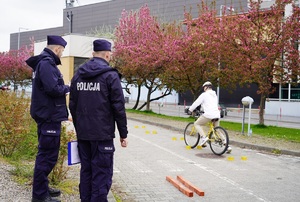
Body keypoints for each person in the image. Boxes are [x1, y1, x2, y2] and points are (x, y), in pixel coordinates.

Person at [69, 39, 128, 202]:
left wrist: (79, 127)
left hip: (84, 135)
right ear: (108, 54)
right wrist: (123, 133)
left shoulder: (78, 75)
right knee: (101, 175)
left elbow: (72, 105)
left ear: (92, 54)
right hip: (102, 137)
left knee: (86, 172)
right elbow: (118, 107)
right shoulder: (110, 76)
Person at [26, 35, 69, 202]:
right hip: (49, 116)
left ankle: (43, 188)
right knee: (47, 156)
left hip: (46, 114)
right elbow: (53, 89)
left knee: (47, 154)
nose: (62, 55)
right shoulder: (46, 64)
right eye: (62, 51)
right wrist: (68, 87)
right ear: (57, 49)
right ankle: (39, 196)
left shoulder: (43, 63)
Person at [189, 81, 221, 146]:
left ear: (206, 87)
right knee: (217, 129)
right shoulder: (215, 95)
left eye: (204, 87)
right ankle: (226, 144)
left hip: (209, 114)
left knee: (197, 124)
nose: (203, 89)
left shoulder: (204, 94)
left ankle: (203, 138)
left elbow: (196, 103)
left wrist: (190, 109)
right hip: (217, 114)